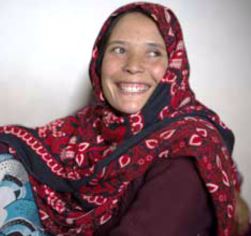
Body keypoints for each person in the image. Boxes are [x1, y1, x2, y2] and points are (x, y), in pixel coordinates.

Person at [0, 2, 250, 236]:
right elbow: (16, 144)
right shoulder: (84, 131)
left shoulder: (189, 158)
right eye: (119, 50)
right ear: (98, 60)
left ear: (175, 65)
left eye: (153, 53)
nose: (133, 65)